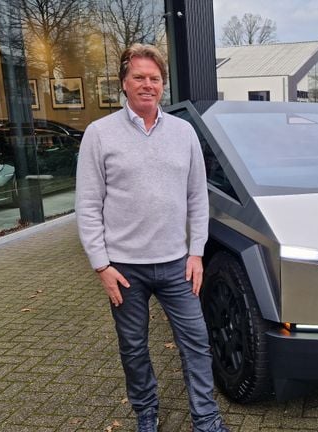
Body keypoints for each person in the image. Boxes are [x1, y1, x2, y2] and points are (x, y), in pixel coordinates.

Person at [75, 43, 228, 432]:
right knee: (133, 347)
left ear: (164, 85)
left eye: (155, 79)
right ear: (124, 83)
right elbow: (89, 205)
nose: (148, 84)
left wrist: (196, 254)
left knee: (196, 343)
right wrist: (101, 265)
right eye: (139, 77)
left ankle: (206, 420)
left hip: (177, 264)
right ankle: (146, 412)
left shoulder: (184, 132)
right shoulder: (99, 134)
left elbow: (198, 197)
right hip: (124, 269)